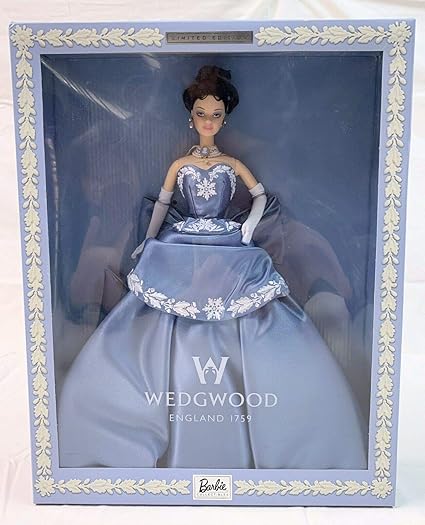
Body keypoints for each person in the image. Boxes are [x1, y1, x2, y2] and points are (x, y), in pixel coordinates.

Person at [58, 65, 367, 469]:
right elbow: (164, 203)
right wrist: (148, 240)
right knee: (160, 304)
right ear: (191, 117)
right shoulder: (180, 164)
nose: (208, 121)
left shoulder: (231, 163)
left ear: (225, 118)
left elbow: (259, 195)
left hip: (227, 239)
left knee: (252, 300)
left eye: (216, 114)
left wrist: (250, 224)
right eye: (202, 113)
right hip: (184, 239)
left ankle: (286, 417)